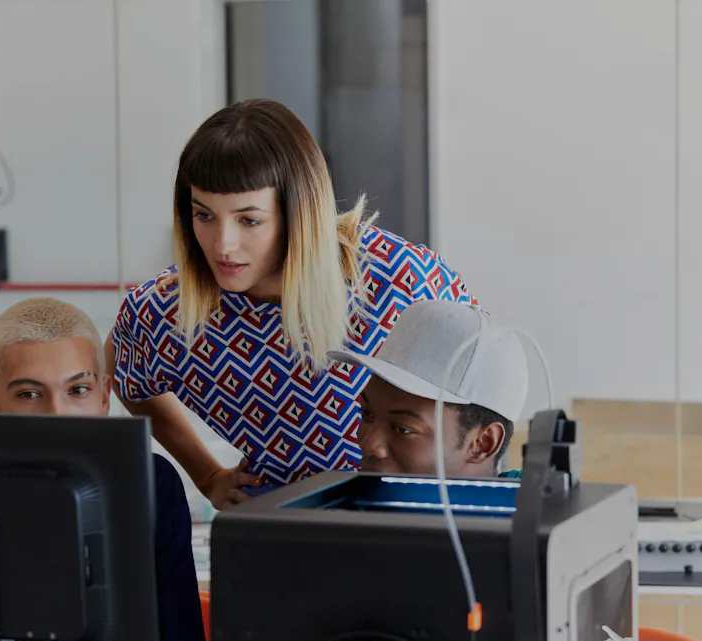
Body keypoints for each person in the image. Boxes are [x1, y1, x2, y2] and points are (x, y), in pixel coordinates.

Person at [106, 98, 479, 510]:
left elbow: (485, 378)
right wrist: (208, 474)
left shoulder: (397, 275)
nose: (222, 244)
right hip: (283, 531)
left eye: (249, 219)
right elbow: (124, 373)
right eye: (204, 215)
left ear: (298, 213)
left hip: (417, 520)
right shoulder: (162, 312)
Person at [0, 297, 206, 641]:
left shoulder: (152, 486)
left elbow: (180, 638)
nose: (57, 414)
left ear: (103, 397)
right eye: (29, 393)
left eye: (78, 390)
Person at [328, 300, 528, 478]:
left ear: (482, 444)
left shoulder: (535, 515)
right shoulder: (338, 509)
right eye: (367, 414)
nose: (369, 444)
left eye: (402, 429)